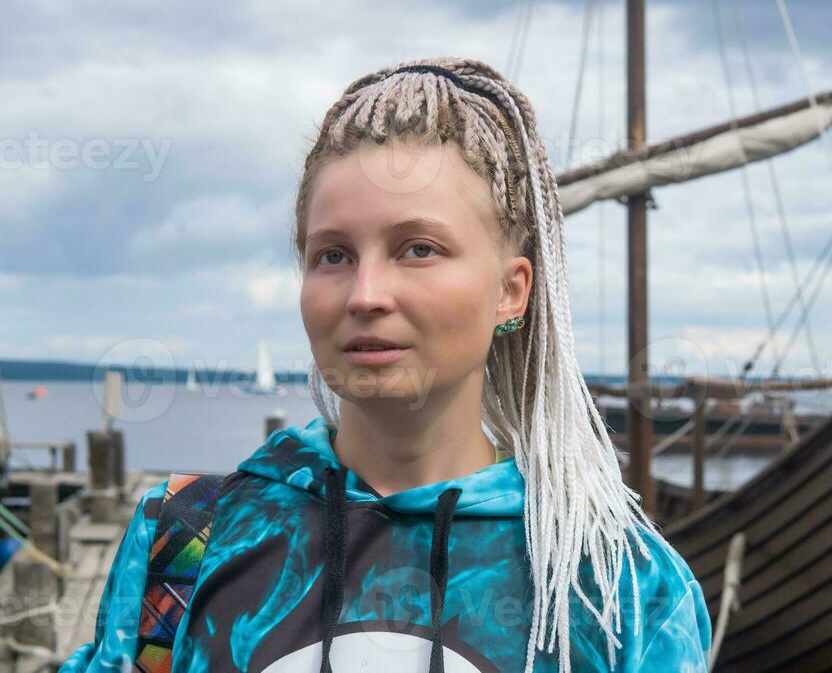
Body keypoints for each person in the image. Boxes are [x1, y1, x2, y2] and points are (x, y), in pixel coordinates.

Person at [60, 58, 710, 673]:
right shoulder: (187, 543)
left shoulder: (616, 589)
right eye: (334, 255)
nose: (365, 293)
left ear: (511, 290)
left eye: (417, 248)